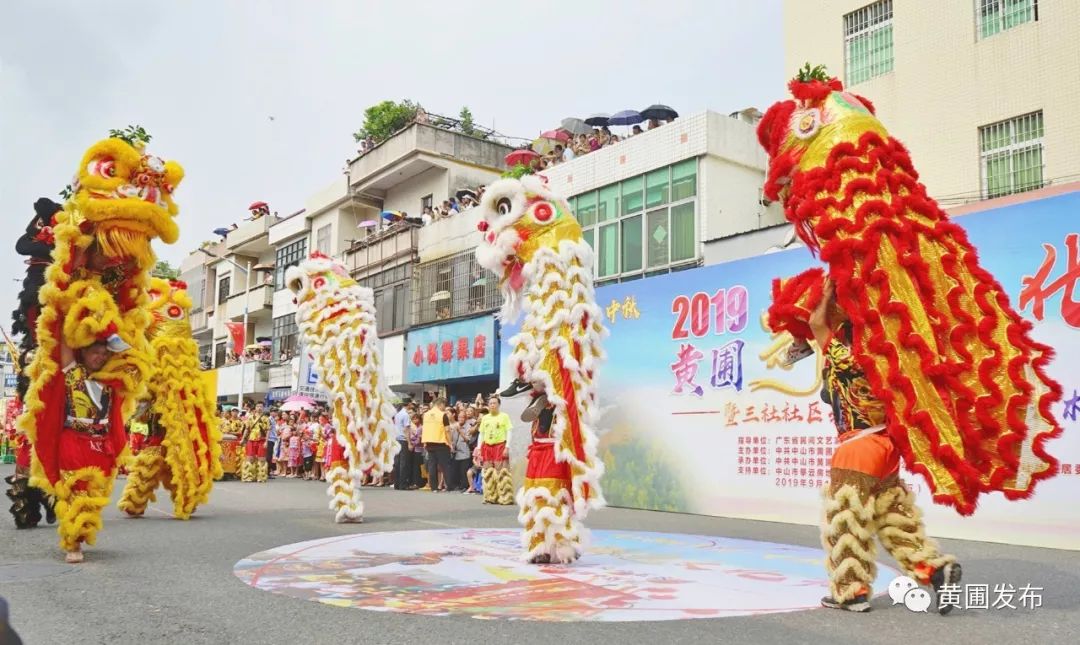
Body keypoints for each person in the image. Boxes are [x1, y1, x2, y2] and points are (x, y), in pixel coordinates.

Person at [807, 278, 961, 613]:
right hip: (887, 448)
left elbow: (816, 323)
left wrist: (829, 294)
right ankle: (935, 569)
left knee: (846, 522)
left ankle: (851, 592)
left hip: (857, 447)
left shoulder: (843, 356)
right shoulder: (890, 361)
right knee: (893, 520)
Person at [478, 396, 514, 505]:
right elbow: (481, 433)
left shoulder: (504, 416)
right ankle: (490, 496)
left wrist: (507, 446)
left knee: (501, 471)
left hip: (500, 445)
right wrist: (479, 448)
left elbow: (509, 432)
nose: (492, 405)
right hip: (487, 446)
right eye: (490, 403)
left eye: (494, 403)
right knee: (487, 471)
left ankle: (505, 497)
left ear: (498, 405)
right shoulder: (485, 418)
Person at [421, 398, 452, 492]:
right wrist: (450, 443)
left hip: (429, 443)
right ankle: (449, 486)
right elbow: (447, 430)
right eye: (444, 406)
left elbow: (425, 429)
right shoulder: (443, 415)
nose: (444, 408)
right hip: (441, 442)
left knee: (432, 466)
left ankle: (433, 487)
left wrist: (425, 442)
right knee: (445, 466)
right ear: (441, 404)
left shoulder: (425, 415)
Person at [392, 402, 412, 490]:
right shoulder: (405, 415)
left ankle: (396, 483)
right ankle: (403, 484)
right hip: (403, 440)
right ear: (408, 405)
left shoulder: (397, 414)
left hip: (396, 439)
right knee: (403, 463)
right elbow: (406, 429)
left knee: (397, 463)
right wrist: (409, 442)